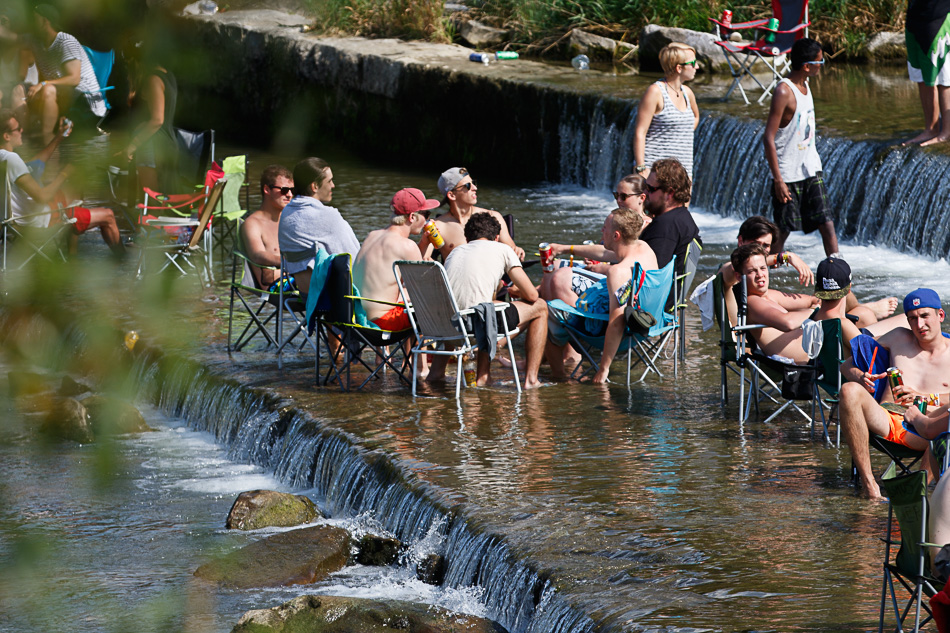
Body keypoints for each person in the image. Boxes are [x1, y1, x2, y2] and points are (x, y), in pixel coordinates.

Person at [839, 288, 950, 499]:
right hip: (887, 418)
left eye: (925, 316)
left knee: (946, 427)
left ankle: (916, 491)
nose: (920, 325)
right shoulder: (898, 337)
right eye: (913, 318)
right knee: (849, 390)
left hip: (927, 427)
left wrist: (925, 397)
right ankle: (870, 486)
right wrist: (861, 376)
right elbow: (845, 366)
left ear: (941, 315)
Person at [731, 245, 907, 363]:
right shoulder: (752, 302)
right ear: (739, 276)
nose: (760, 275)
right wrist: (819, 310)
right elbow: (788, 323)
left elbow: (812, 299)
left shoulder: (768, 295)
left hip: (818, 343)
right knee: (903, 326)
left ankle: (866, 312)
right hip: (812, 354)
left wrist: (821, 301)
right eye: (752, 271)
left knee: (863, 314)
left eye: (763, 268)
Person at [718, 215, 896, 328]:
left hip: (800, 330)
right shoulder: (733, 278)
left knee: (839, 286)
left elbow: (812, 301)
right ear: (741, 241)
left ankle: (863, 308)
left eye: (766, 246)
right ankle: (866, 310)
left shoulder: (762, 292)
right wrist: (784, 257)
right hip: (790, 348)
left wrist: (820, 306)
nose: (762, 251)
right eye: (757, 244)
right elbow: (730, 269)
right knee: (863, 317)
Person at [545, 207, 656, 384]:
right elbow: (604, 253)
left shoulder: (618, 273)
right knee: (561, 274)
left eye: (605, 227)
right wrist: (565, 248)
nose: (601, 230)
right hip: (647, 321)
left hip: (618, 330)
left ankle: (559, 376)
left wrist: (603, 369)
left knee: (547, 311)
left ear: (616, 236)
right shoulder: (643, 248)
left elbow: (617, 323)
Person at [438, 212, 547, 388]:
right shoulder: (503, 249)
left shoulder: (454, 252)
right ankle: (531, 380)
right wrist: (517, 291)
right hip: (474, 324)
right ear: (496, 238)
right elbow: (533, 296)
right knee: (540, 307)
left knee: (486, 306)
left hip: (445, 323)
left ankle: (437, 373)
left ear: (467, 238)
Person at [0, 109, 122, 256]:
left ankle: (72, 253)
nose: (22, 130)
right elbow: (43, 197)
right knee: (108, 215)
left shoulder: (4, 158)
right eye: (18, 128)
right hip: (36, 219)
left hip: (11, 219)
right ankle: (122, 260)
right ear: (6, 136)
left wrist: (58, 137)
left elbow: (34, 165)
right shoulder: (12, 159)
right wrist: (65, 173)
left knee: (75, 191)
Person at [762, 37, 839, 258]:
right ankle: (763, 271)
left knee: (826, 223)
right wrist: (778, 180)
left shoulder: (806, 85)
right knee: (783, 230)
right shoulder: (784, 92)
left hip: (810, 168)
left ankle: (839, 270)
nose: (821, 65)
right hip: (788, 174)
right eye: (820, 62)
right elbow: (768, 137)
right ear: (806, 66)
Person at [352, 187, 438, 330]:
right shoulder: (407, 246)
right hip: (383, 322)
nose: (427, 220)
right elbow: (422, 292)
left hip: (357, 319)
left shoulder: (372, 235)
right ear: (412, 217)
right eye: (426, 214)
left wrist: (424, 244)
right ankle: (426, 345)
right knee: (432, 304)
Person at [277, 157, 359, 295]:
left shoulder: (286, 213)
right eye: (329, 181)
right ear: (314, 186)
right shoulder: (328, 216)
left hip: (306, 295)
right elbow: (355, 260)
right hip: (335, 297)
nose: (333, 185)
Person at [26, 5, 104, 144]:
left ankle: (47, 140)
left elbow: (74, 79)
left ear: (45, 22)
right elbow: (13, 38)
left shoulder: (65, 41)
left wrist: (43, 84)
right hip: (62, 94)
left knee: (48, 90)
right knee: (20, 91)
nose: (30, 22)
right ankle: (19, 139)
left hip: (84, 99)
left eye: (34, 19)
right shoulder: (36, 42)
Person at [418, 166, 524, 261]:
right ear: (452, 195)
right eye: (468, 185)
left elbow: (513, 252)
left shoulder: (493, 217)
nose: (475, 188)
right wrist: (425, 255)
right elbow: (423, 258)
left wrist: (517, 251)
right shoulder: (438, 226)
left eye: (474, 183)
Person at [632, 42, 699, 180]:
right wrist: (641, 168)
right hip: (655, 173)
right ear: (679, 68)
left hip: (683, 172)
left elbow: (696, 117)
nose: (697, 66)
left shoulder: (688, 93)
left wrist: (680, 133)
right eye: (693, 63)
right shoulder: (655, 92)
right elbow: (640, 132)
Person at [120, 43, 179, 192]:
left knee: (151, 197)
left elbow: (157, 120)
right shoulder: (167, 76)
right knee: (162, 194)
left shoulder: (153, 80)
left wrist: (132, 145)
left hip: (151, 144)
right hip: (165, 142)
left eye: (129, 63)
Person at [639, 158, 701, 277]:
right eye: (645, 186)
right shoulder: (683, 217)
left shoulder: (665, 227)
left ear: (670, 193)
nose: (645, 193)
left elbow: (651, 274)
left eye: (650, 189)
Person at [904, 0, 950, 145]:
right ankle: (931, 129)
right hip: (914, 16)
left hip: (938, 16)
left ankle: (946, 132)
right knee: (922, 77)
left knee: (943, 78)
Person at [240, 164, 293, 290]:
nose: (290, 194)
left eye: (292, 190)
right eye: (284, 190)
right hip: (277, 288)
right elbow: (257, 255)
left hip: (297, 279)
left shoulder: (290, 221)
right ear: (267, 190)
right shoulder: (252, 223)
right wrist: (290, 263)